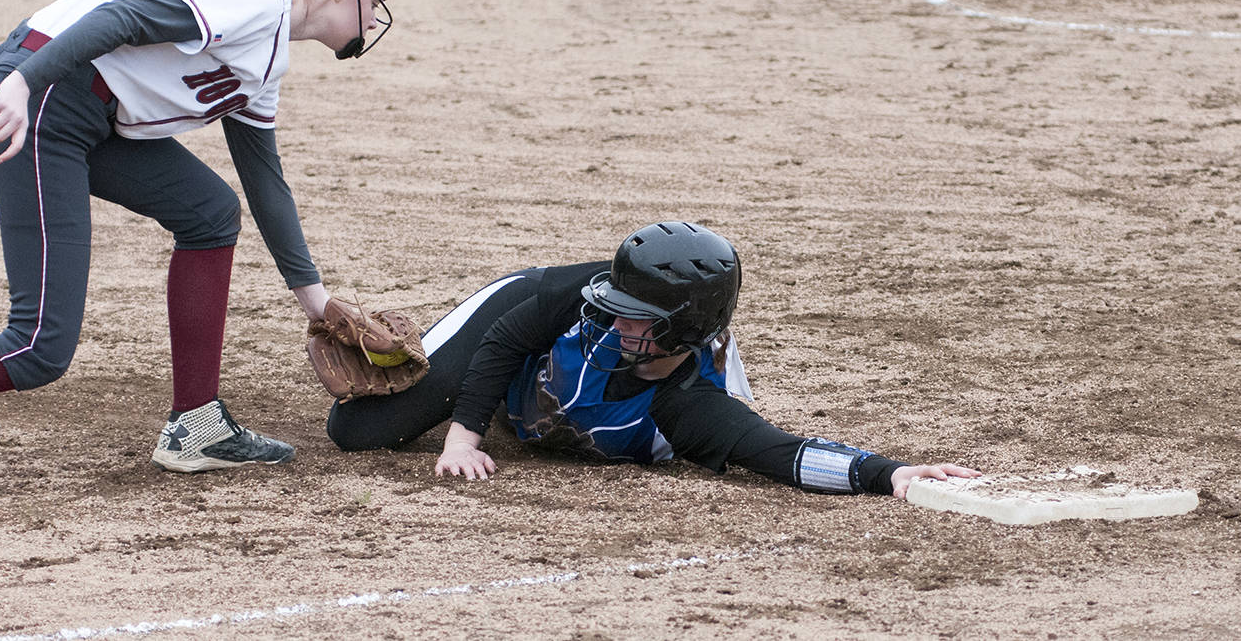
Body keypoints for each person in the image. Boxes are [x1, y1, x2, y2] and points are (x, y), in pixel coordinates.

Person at [0, 0, 407, 473]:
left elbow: (264, 180)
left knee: (210, 212)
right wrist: (23, 80)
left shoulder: (268, 54)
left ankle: (197, 426)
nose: (376, 15)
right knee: (38, 346)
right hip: (44, 93)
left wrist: (318, 303)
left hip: (83, 107)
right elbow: (122, 18)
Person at [327, 221, 980, 498]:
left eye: (635, 312)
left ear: (684, 329)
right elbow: (504, 339)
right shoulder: (574, 296)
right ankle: (404, 343)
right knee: (357, 430)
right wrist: (462, 437)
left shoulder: (692, 404)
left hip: (539, 403)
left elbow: (781, 451)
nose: (612, 315)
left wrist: (888, 474)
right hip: (511, 323)